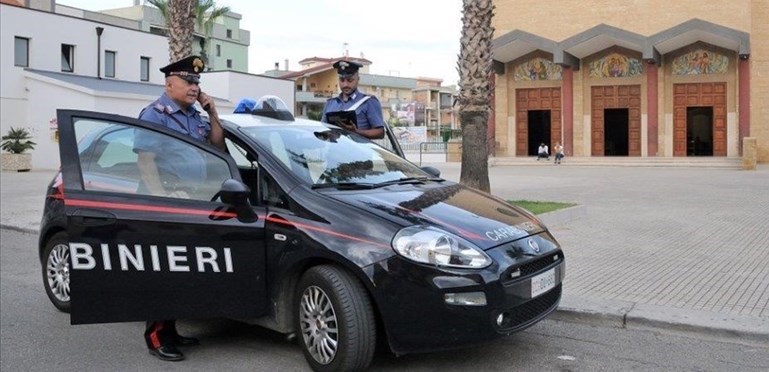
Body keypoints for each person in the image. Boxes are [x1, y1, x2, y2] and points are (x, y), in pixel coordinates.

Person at [134, 55, 224, 361]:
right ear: (169, 83)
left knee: (181, 272)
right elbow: (145, 162)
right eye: (188, 81)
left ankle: (171, 331)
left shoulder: (194, 116)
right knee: (163, 274)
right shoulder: (155, 115)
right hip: (164, 206)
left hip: (192, 205)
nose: (194, 87)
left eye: (197, 82)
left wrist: (212, 112)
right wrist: (163, 203)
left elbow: (217, 147)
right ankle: (156, 336)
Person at [321, 60, 385, 139]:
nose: (345, 84)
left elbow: (380, 132)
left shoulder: (369, 102)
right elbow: (323, 128)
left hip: (358, 150)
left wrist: (356, 132)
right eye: (342, 80)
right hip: (335, 150)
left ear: (358, 79)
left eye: (350, 80)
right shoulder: (330, 103)